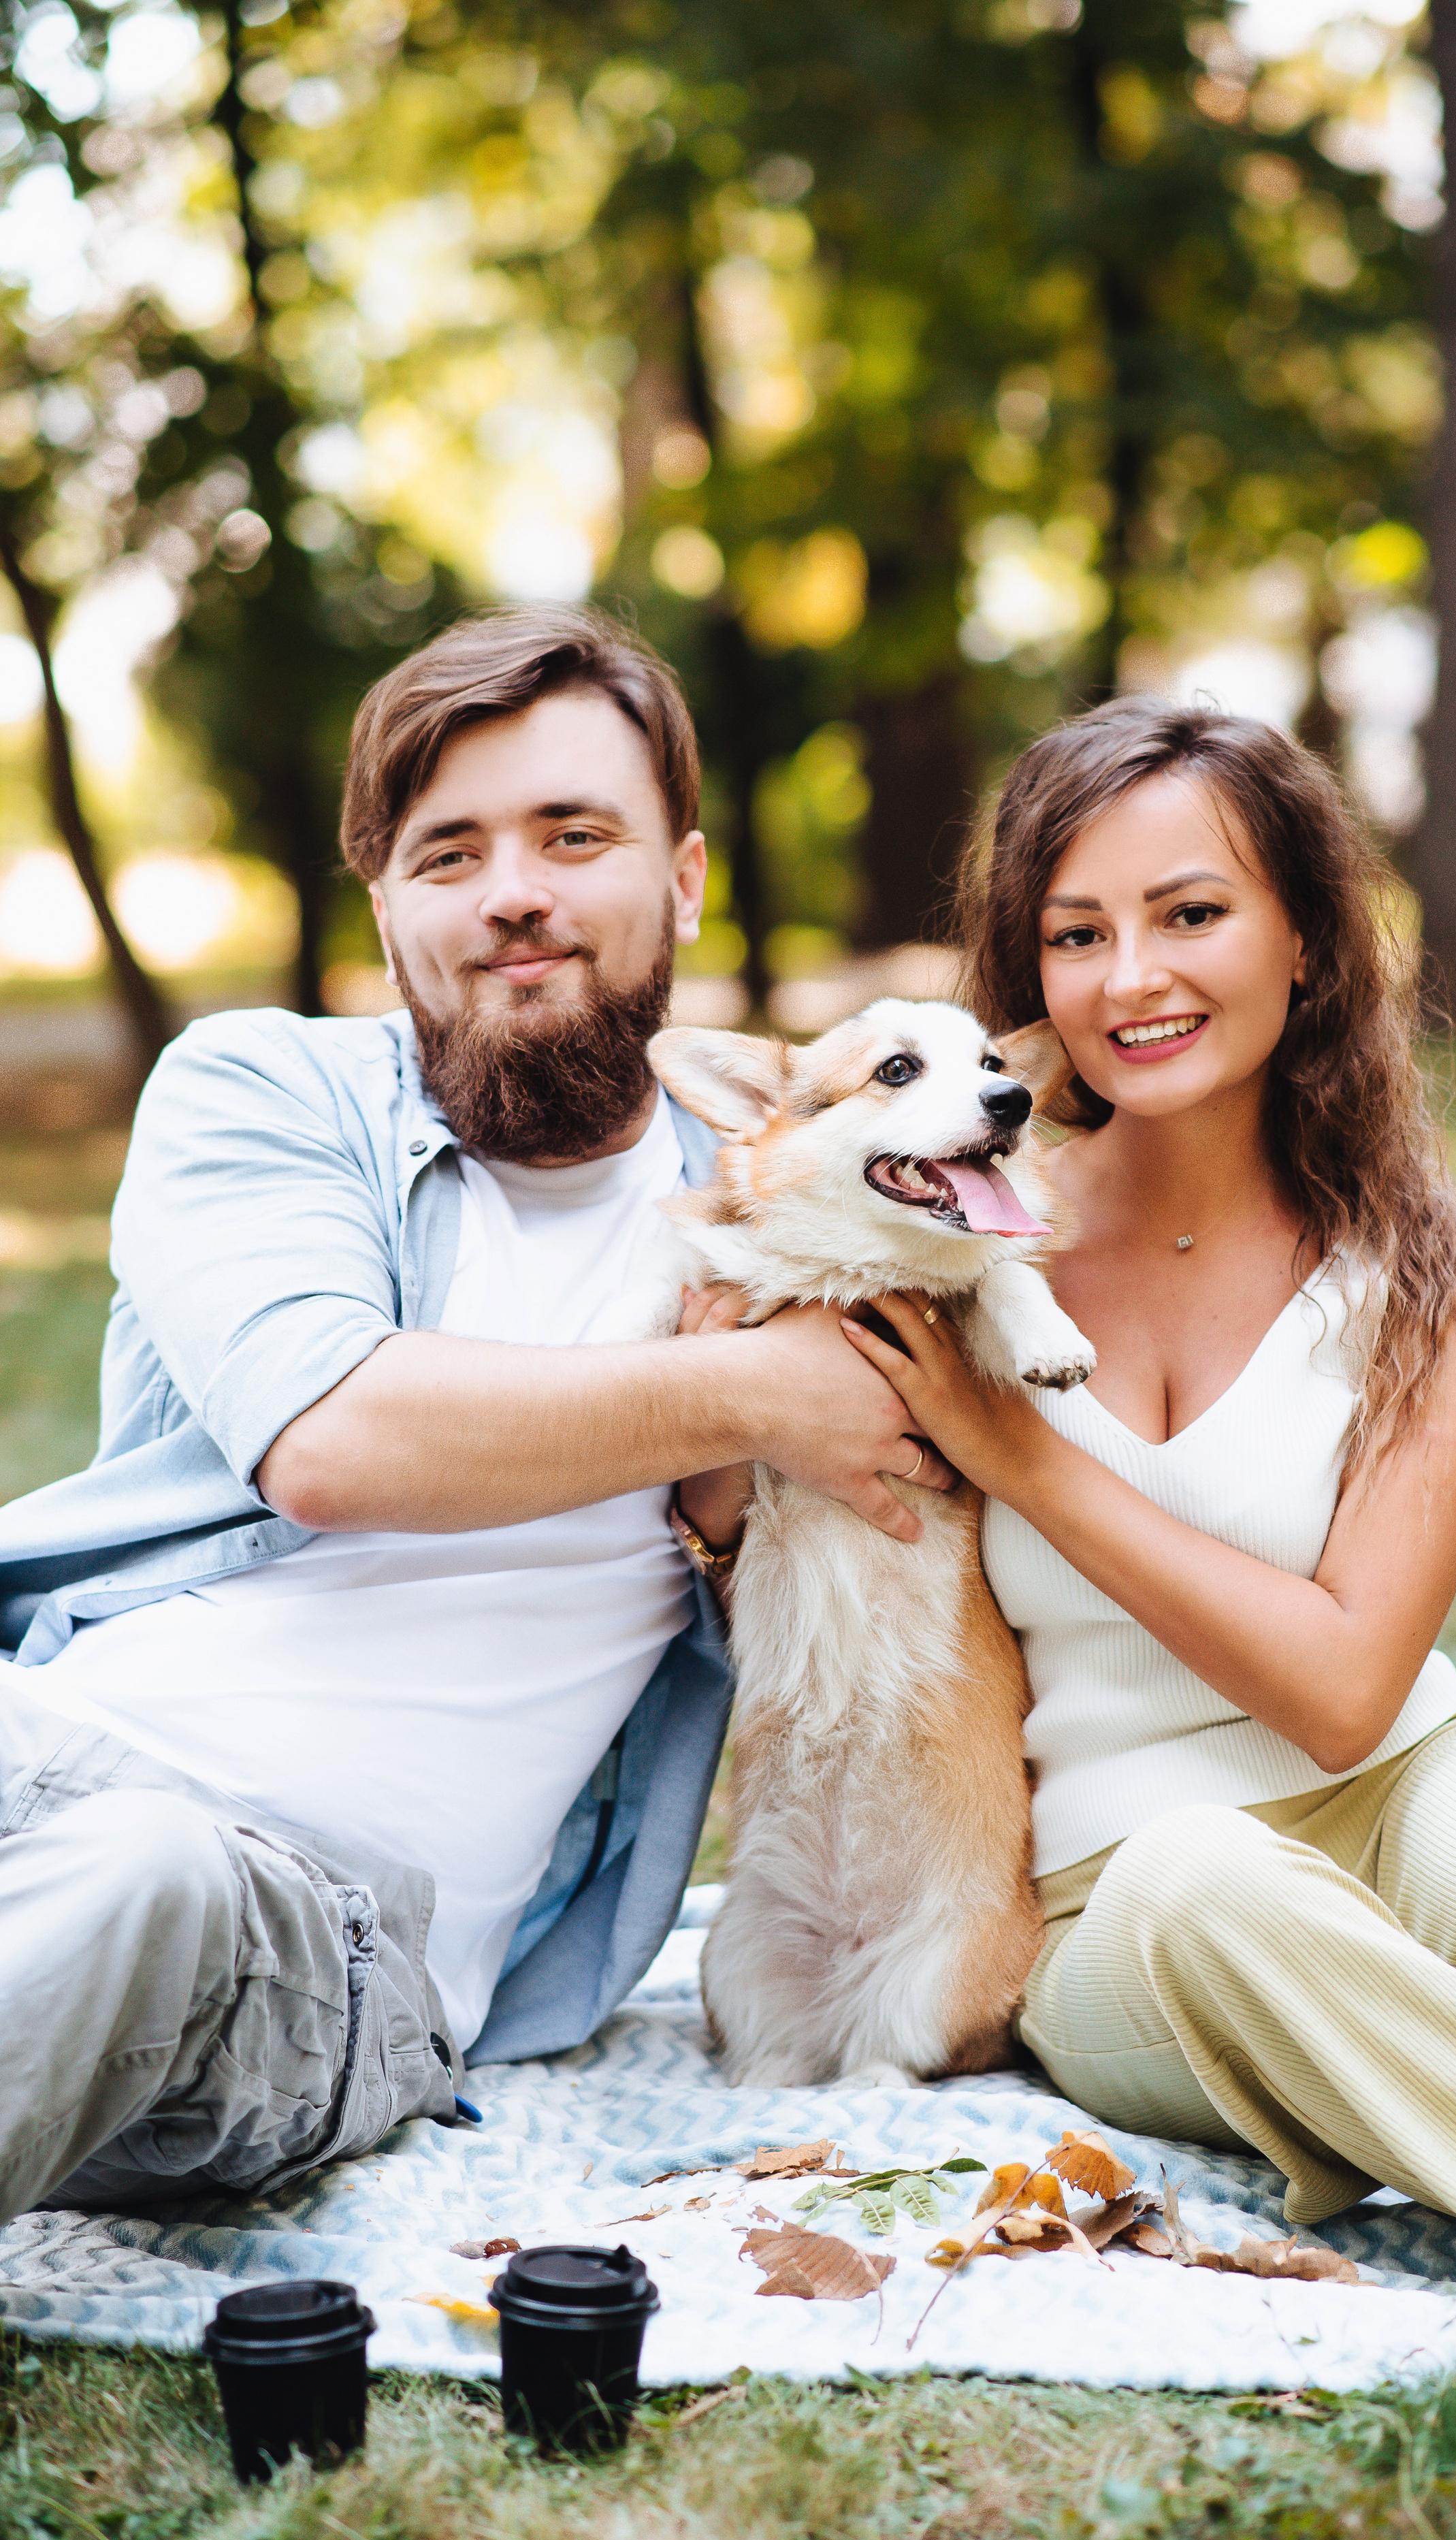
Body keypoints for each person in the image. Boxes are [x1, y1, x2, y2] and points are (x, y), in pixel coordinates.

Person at [0, 605, 950, 2224]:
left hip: (299, 1928)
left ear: (686, 875)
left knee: (138, 1878)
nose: (512, 890)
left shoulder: (806, 1208)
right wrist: (741, 1392)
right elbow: (336, 1437)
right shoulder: (261, 1091)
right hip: (43, 1750)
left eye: (574, 835)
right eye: (447, 854)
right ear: (387, 908)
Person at [838, 700, 1456, 2332]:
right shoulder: (950, 1248)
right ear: (1025, 974)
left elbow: (1339, 1694)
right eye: (1076, 933)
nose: (1132, 978)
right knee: (1215, 1882)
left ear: (1308, 939)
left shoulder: (1443, 1270)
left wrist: (1028, 1459)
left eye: (1191, 913)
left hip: (1405, 1782)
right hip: (1117, 1891)